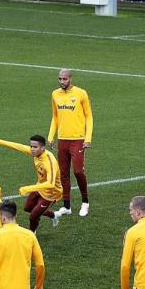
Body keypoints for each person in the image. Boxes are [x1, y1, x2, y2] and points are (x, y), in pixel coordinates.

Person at [0, 135, 63, 232]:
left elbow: (50, 184)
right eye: (31, 146)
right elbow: (17, 146)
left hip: (51, 193)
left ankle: (32, 233)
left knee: (33, 216)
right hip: (39, 186)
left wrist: (27, 189)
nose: (32, 149)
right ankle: (54, 215)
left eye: (35, 147)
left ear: (42, 148)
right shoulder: (36, 153)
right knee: (28, 208)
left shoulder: (49, 162)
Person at [47, 69, 93, 218]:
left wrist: (87, 138)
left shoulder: (81, 93)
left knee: (78, 172)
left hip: (78, 139)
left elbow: (89, 117)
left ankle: (85, 202)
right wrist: (51, 136)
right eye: (60, 79)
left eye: (65, 79)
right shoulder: (55, 94)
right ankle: (67, 206)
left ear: (70, 78)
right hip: (62, 140)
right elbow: (55, 116)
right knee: (64, 173)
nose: (62, 81)